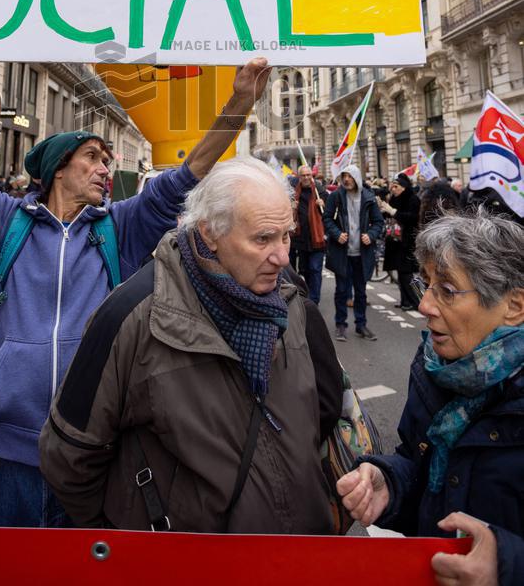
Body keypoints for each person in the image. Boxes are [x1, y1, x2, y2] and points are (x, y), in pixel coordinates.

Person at [0, 25, 270, 528]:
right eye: (93, 157)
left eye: (107, 160)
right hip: (2, 461)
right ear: (57, 168)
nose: (105, 168)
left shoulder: (122, 227)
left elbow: (193, 171)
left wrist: (239, 104)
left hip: (90, 456)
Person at [39, 157, 343, 533]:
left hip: (298, 553)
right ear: (210, 233)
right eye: (263, 238)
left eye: (286, 235)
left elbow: (325, 413)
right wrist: (130, 543)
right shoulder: (130, 316)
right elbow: (68, 455)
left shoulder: (293, 304)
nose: (282, 256)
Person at [337, 210, 524, 586]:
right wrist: (389, 483)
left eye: (448, 291)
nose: (424, 305)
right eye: (427, 285)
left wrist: (507, 565)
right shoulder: (433, 367)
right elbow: (421, 468)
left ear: (514, 306)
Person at [323, 165, 384, 342]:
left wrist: (371, 235)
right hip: (342, 253)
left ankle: (361, 324)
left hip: (362, 253)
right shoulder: (336, 197)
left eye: (349, 176)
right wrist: (336, 234)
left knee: (361, 291)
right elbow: (326, 218)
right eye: (344, 176)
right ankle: (340, 324)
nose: (346, 179)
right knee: (341, 290)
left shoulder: (368, 198)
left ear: (356, 177)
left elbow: (378, 222)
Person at [379, 173, 421, 310]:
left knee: (406, 274)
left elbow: (412, 218)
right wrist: (382, 208)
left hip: (407, 240)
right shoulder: (394, 199)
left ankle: (416, 301)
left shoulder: (413, 199)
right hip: (395, 240)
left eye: (395, 186)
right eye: (392, 186)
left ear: (403, 187)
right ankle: (405, 301)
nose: (392, 189)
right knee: (400, 272)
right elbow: (389, 215)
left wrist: (394, 212)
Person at [290, 165, 326, 303]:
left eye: (308, 175)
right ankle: (308, 296)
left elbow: (330, 214)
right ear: (299, 177)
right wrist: (291, 207)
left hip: (317, 239)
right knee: (305, 270)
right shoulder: (294, 193)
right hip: (300, 240)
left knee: (315, 269)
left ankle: (314, 301)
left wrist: (324, 204)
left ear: (312, 176)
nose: (306, 178)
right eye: (303, 175)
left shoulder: (320, 191)